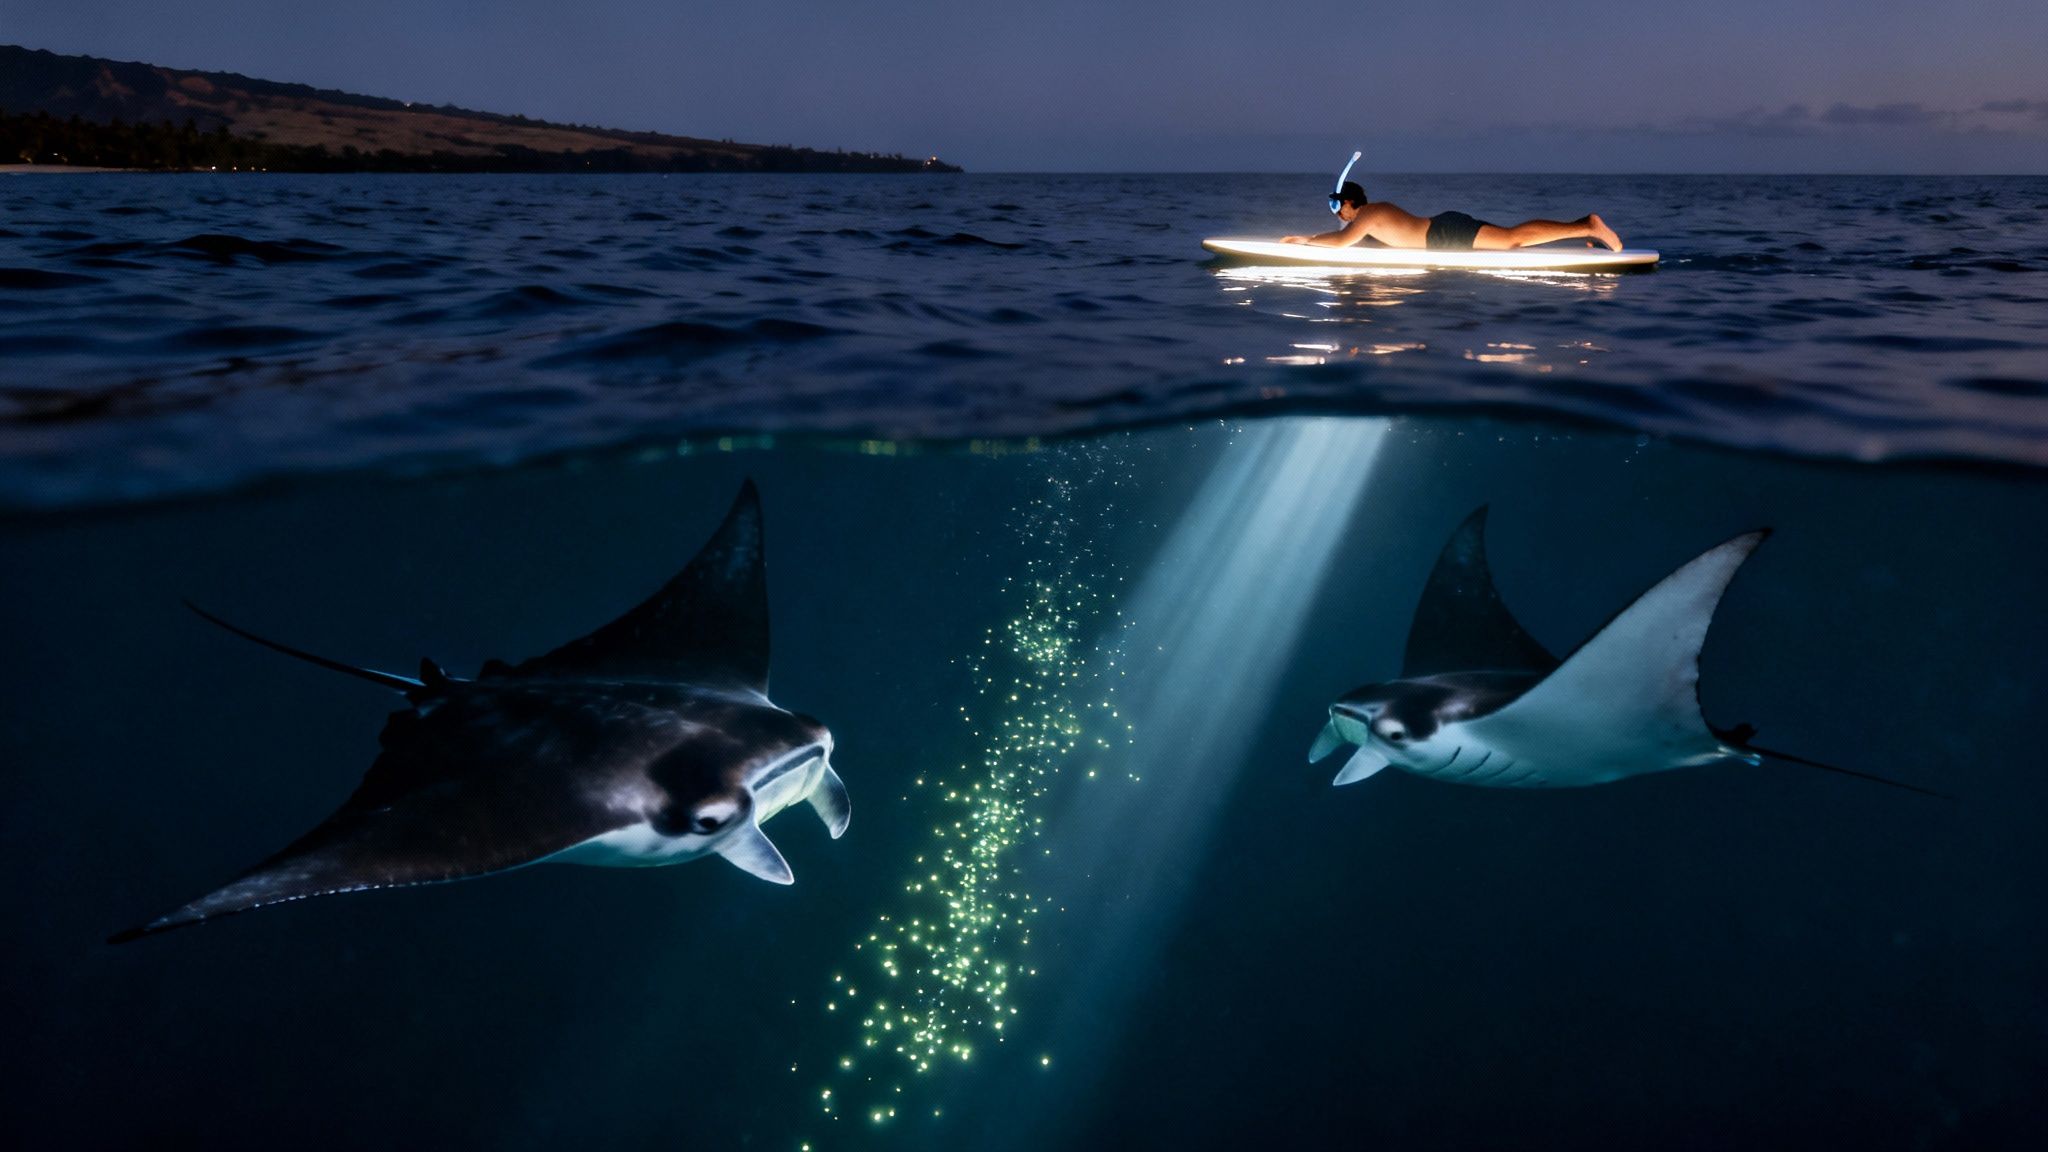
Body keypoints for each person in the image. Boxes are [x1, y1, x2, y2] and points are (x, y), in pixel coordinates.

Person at [1282, 182, 1624, 253]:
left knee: (1511, 240)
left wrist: (1306, 240)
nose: (1337, 214)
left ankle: (1587, 226)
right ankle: (1578, 231)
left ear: (1349, 203)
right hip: (1442, 230)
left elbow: (1342, 242)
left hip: (1443, 233)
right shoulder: (1373, 219)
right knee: (1510, 239)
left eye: (1336, 207)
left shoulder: (1369, 214)